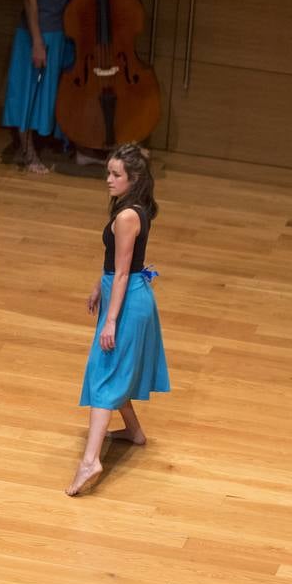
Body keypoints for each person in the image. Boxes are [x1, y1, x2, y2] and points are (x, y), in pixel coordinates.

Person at [67, 143, 169, 496]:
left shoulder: (127, 217)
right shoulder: (132, 207)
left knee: (104, 375)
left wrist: (110, 321)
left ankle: (90, 461)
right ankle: (133, 432)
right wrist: (99, 286)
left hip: (127, 303)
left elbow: (124, 272)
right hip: (122, 295)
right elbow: (117, 262)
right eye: (108, 172)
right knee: (116, 368)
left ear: (133, 178)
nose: (108, 179)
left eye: (115, 174)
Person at [0, 0, 115, 174]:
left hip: (66, 28)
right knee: (30, 94)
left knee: (63, 93)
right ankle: (28, 154)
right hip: (38, 29)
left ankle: (80, 149)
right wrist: (37, 42)